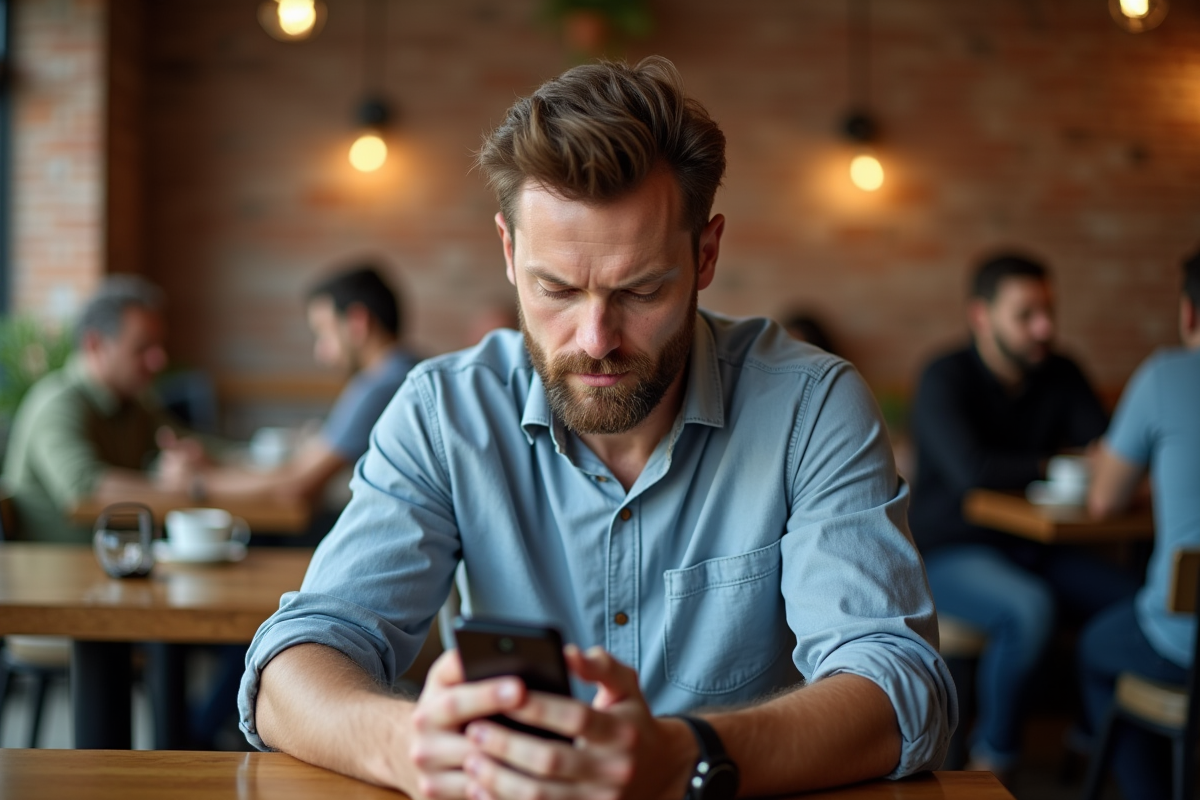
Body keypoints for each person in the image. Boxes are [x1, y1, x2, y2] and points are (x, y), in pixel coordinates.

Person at [239, 57, 954, 798]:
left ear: (705, 254)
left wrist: (685, 757)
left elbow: (900, 688)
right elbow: (293, 665)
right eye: (556, 289)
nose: (595, 339)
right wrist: (402, 743)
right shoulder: (442, 413)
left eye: (640, 290)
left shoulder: (812, 408)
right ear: (510, 255)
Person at [909, 253, 1138, 778]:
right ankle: (996, 759)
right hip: (949, 551)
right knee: (1028, 609)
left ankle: (1090, 741)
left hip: (1038, 546)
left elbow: (1106, 453)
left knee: (1132, 603)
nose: (1045, 327)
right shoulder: (945, 376)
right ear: (981, 317)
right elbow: (971, 470)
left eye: (1049, 311)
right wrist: (1055, 464)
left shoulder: (1061, 370)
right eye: (1027, 314)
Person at [1079, 249, 1200, 800]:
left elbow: (1104, 501)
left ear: (1189, 314)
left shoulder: (1164, 375)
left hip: (1182, 645)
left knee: (1093, 648)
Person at [178, 265, 418, 507]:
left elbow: (295, 485)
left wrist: (196, 483)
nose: (321, 354)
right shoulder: (408, 370)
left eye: (324, 333)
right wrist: (218, 468)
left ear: (358, 322)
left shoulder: (380, 386)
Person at [2, 276, 206, 542]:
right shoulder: (56, 403)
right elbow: (86, 489)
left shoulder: (133, 402)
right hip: (60, 574)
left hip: (120, 563)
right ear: (95, 345)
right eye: (143, 348)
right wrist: (189, 487)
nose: (159, 360)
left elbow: (189, 441)